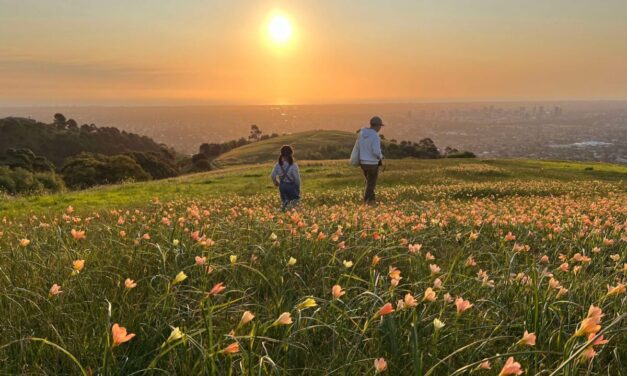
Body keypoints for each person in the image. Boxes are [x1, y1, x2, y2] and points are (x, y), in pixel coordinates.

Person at [350, 116, 384, 205]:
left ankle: (372, 200)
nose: (380, 128)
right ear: (377, 126)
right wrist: (381, 156)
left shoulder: (362, 133)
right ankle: (367, 201)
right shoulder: (375, 136)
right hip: (372, 163)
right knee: (371, 184)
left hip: (363, 163)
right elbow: (376, 151)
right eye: (380, 126)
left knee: (368, 182)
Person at [271, 145, 301, 210]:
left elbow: (272, 175)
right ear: (291, 153)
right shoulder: (293, 165)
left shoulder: (278, 165)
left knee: (284, 203)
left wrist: (275, 182)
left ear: (281, 153)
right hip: (292, 186)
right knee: (294, 203)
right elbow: (297, 179)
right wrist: (297, 188)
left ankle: (283, 215)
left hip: (282, 186)